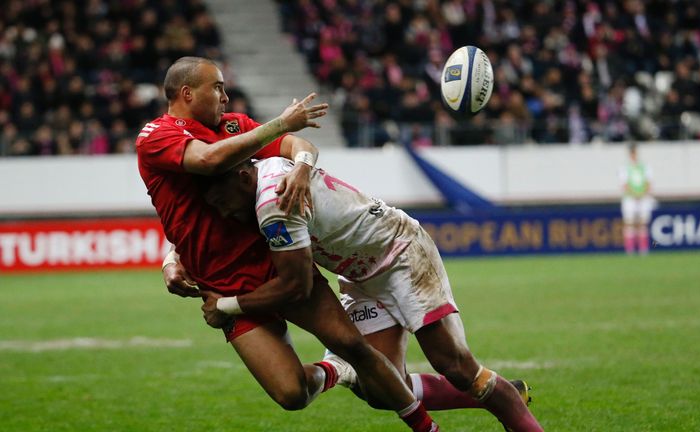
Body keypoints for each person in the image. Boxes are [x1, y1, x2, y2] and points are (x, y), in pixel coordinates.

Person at [138, 56, 439, 432]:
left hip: (277, 266)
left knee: (358, 348)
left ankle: (427, 428)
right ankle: (334, 371)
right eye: (217, 88)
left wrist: (301, 166)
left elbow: (300, 144)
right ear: (187, 93)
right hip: (223, 287)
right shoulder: (157, 135)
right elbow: (209, 164)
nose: (226, 97)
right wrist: (173, 256)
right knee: (292, 394)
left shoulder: (234, 127)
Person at [200, 157, 544, 432]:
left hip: (400, 255)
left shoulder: (273, 201)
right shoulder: (266, 166)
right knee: (380, 391)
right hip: (358, 274)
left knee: (454, 365)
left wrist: (226, 306)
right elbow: (296, 143)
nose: (224, 212)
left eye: (222, 202)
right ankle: (505, 395)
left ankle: (509, 408)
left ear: (243, 179)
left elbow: (296, 287)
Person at [619, 144, 655, 255]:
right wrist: (634, 195)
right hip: (630, 198)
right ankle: (630, 249)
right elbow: (624, 185)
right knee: (629, 223)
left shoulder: (645, 167)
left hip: (643, 198)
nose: (634, 155)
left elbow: (648, 183)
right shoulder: (625, 168)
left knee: (643, 224)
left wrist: (641, 194)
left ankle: (643, 249)